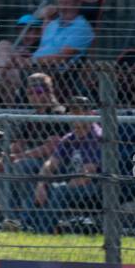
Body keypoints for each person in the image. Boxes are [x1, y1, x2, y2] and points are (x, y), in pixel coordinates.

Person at [0, 72, 66, 228]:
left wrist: (20, 156)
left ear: (49, 92)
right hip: (31, 158)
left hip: (55, 161)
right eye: (30, 93)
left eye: (38, 91)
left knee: (22, 165)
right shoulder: (33, 117)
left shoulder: (57, 113)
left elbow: (51, 147)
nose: (33, 96)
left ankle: (26, 219)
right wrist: (7, 155)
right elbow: (19, 143)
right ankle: (11, 219)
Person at [28, 96, 101, 233]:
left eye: (78, 111)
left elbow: (86, 176)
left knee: (58, 190)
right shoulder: (69, 138)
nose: (74, 116)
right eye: (71, 112)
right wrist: (41, 185)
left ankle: (42, 232)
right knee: (40, 186)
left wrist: (60, 186)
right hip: (72, 182)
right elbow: (50, 164)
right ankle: (23, 227)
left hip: (95, 186)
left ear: (90, 114)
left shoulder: (96, 136)